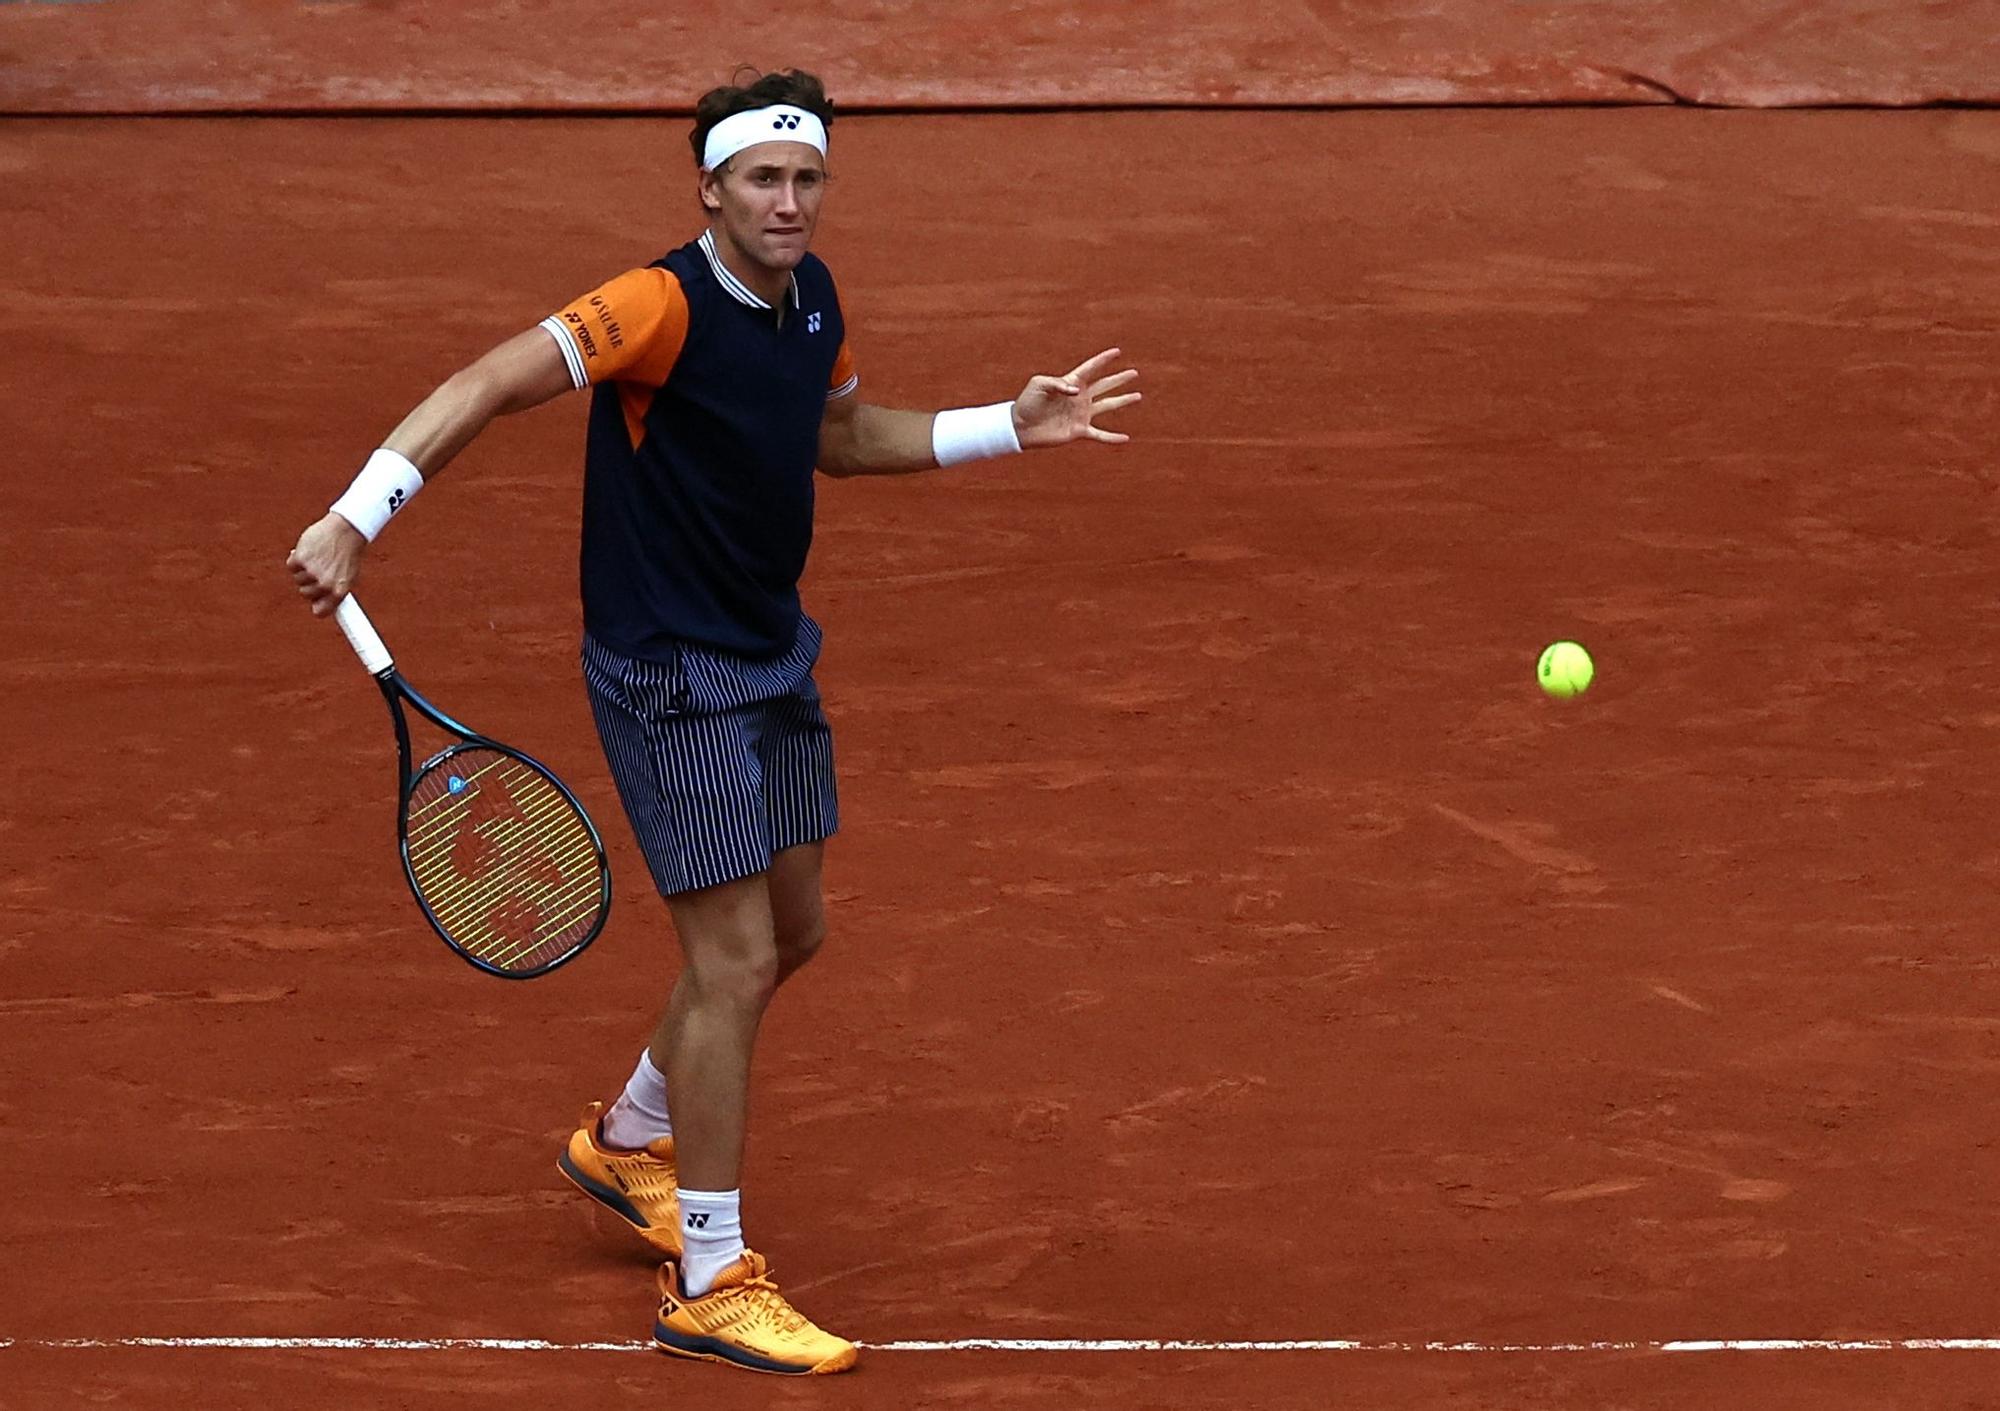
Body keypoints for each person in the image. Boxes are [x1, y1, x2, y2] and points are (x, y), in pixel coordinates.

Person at [285, 67, 1140, 1377]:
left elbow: (840, 443)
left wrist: (1006, 431)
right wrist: (356, 515)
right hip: (668, 672)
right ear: (711, 186)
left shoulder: (814, 303)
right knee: (732, 962)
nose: (788, 202)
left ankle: (624, 1140)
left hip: (768, 651)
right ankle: (711, 1278)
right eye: (763, 180)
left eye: (807, 180)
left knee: (793, 931)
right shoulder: (655, 305)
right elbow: (489, 381)